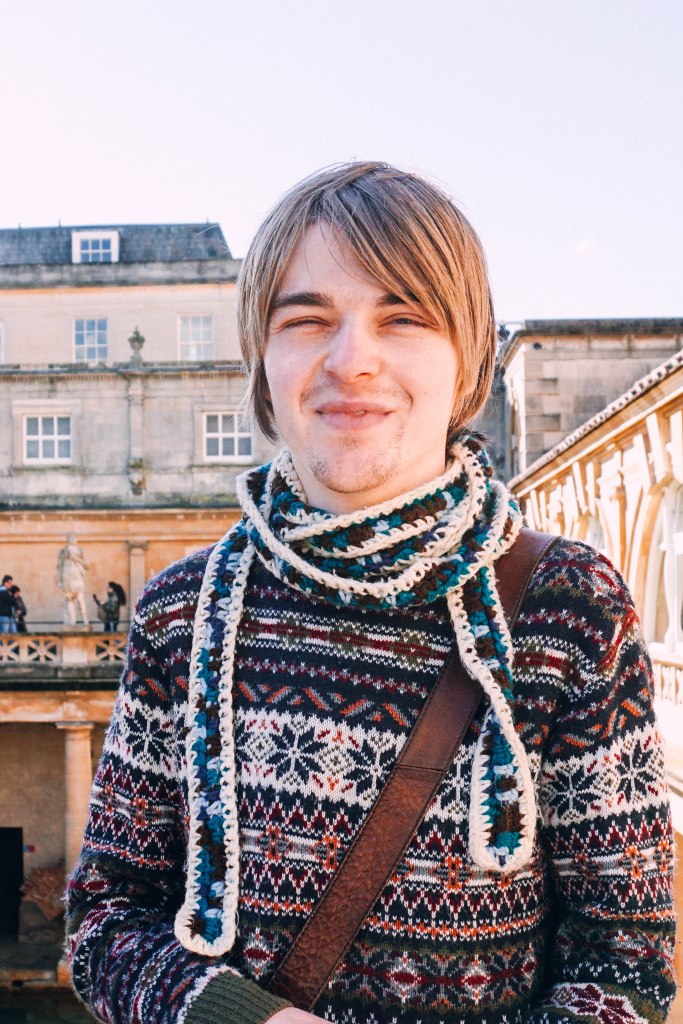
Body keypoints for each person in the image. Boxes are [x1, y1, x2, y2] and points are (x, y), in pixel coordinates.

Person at [65, 163, 676, 1024]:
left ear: (467, 358)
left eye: (404, 317)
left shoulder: (569, 605)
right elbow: (104, 921)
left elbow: (625, 966)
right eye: (306, 319)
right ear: (261, 361)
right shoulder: (179, 612)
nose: (352, 360)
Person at [56, 533, 90, 628]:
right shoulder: (63, 551)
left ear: (76, 539)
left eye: (74, 537)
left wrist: (76, 558)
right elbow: (59, 567)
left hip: (77, 576)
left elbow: (87, 565)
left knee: (80, 599)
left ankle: (85, 622)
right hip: (66, 577)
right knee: (69, 600)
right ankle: (72, 623)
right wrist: (59, 580)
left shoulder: (81, 550)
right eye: (70, 537)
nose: (72, 539)